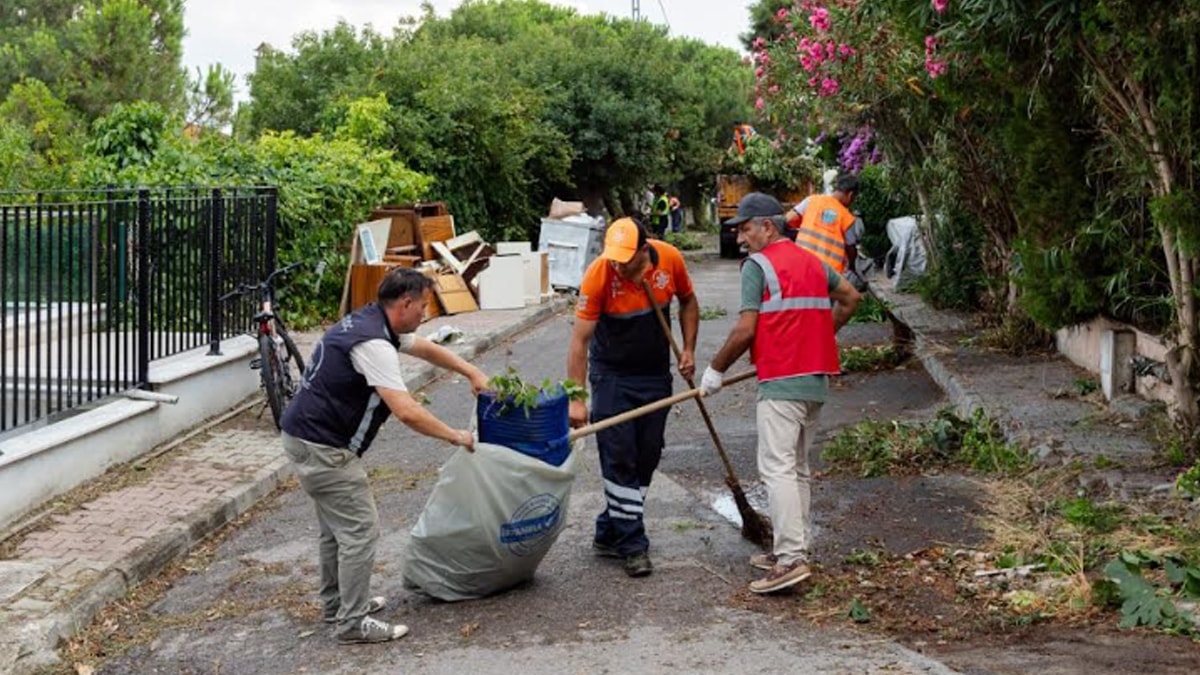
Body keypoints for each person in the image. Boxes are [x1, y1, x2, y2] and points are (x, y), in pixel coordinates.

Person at [280, 268, 489, 645]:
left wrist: (469, 369)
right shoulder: (374, 345)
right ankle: (352, 623)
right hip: (325, 448)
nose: (425, 313)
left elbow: (422, 347)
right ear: (405, 303)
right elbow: (406, 411)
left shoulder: (371, 320)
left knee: (336, 530)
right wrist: (456, 436)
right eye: (423, 306)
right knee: (360, 531)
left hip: (303, 437)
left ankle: (338, 605)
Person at [699, 192, 861, 594]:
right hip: (814, 380)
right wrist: (819, 336)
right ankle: (795, 549)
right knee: (797, 467)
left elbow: (745, 329)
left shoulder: (757, 266)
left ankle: (789, 560)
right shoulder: (811, 260)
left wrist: (715, 370)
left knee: (778, 468)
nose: (741, 239)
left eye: (745, 229)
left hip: (783, 381)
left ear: (768, 226)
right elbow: (851, 298)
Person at [567, 217, 699, 578]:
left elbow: (688, 301)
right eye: (614, 258)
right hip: (612, 376)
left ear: (644, 249)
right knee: (619, 456)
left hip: (654, 374)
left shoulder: (669, 259)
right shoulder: (599, 274)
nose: (618, 266)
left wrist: (688, 349)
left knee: (647, 455)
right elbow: (579, 342)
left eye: (626, 260)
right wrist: (576, 398)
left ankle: (609, 529)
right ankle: (632, 544)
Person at [785, 172, 864, 281]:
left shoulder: (811, 200)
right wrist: (852, 267)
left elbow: (788, 220)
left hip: (801, 265)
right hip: (829, 275)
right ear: (850, 195)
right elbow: (851, 249)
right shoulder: (847, 218)